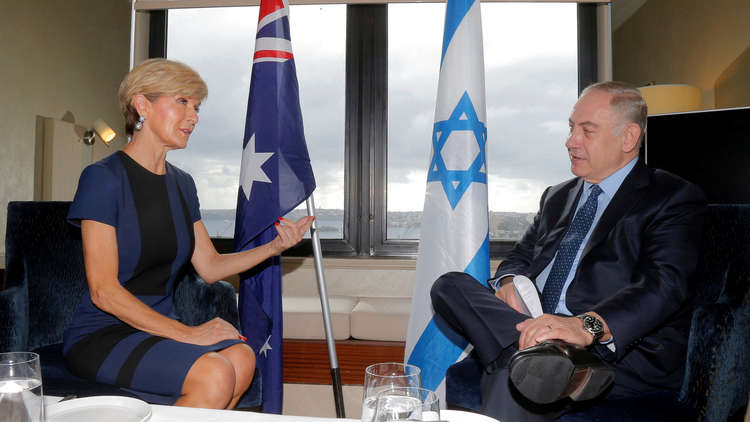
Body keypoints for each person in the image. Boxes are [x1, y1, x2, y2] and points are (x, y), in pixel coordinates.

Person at [431, 81, 706, 421]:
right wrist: (509, 281)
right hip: (534, 325)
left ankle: (538, 358)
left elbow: (664, 287)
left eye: (586, 131)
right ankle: (541, 353)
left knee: (514, 377)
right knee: (448, 285)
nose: (570, 141)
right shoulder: (556, 196)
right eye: (571, 127)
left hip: (610, 353)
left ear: (628, 137)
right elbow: (519, 257)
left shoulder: (671, 197)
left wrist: (583, 326)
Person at [62, 58, 314, 409]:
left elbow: (209, 266)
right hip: (103, 332)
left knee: (242, 359)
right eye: (182, 102)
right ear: (142, 105)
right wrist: (189, 333)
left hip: (159, 326)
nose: (193, 117)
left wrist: (273, 247)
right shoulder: (103, 178)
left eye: (196, 107)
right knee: (215, 373)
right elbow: (104, 291)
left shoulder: (182, 184)